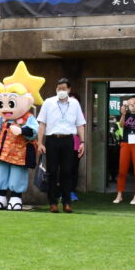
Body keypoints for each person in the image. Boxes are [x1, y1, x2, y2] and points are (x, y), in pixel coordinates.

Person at [36, 78, 86, 213]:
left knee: (67, 172)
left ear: (69, 89)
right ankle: (53, 203)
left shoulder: (75, 103)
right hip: (52, 140)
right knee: (52, 171)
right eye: (58, 88)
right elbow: (42, 123)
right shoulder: (48, 102)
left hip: (68, 140)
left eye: (64, 88)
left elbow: (80, 124)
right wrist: (40, 142)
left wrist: (82, 142)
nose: (61, 91)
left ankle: (67, 203)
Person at [113, 96, 135, 205]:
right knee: (122, 171)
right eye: (131, 103)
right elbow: (122, 125)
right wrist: (123, 113)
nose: (132, 105)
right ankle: (119, 195)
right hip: (126, 143)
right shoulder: (126, 114)